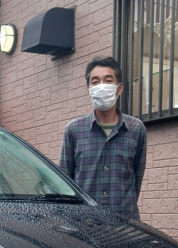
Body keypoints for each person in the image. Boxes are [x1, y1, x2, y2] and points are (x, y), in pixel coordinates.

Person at [59, 56, 147, 221]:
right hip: (85, 224)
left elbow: (136, 180)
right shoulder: (74, 130)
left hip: (125, 224)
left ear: (119, 88)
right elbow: (65, 182)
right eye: (95, 82)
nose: (101, 86)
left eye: (108, 81)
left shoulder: (136, 129)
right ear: (89, 90)